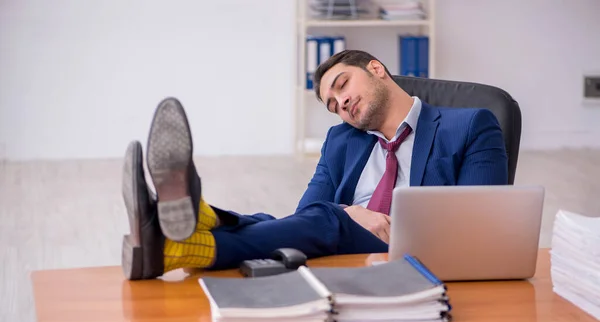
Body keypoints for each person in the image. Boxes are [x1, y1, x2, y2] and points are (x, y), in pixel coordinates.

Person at [120, 50, 508, 280]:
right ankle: (191, 229)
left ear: (376, 69)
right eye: (332, 105)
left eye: (342, 86)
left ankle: (190, 236)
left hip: (417, 256)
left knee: (326, 219)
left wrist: (368, 222)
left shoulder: (469, 125)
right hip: (348, 251)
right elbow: (306, 213)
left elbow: (476, 226)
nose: (341, 105)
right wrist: (354, 214)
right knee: (272, 220)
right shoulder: (342, 140)